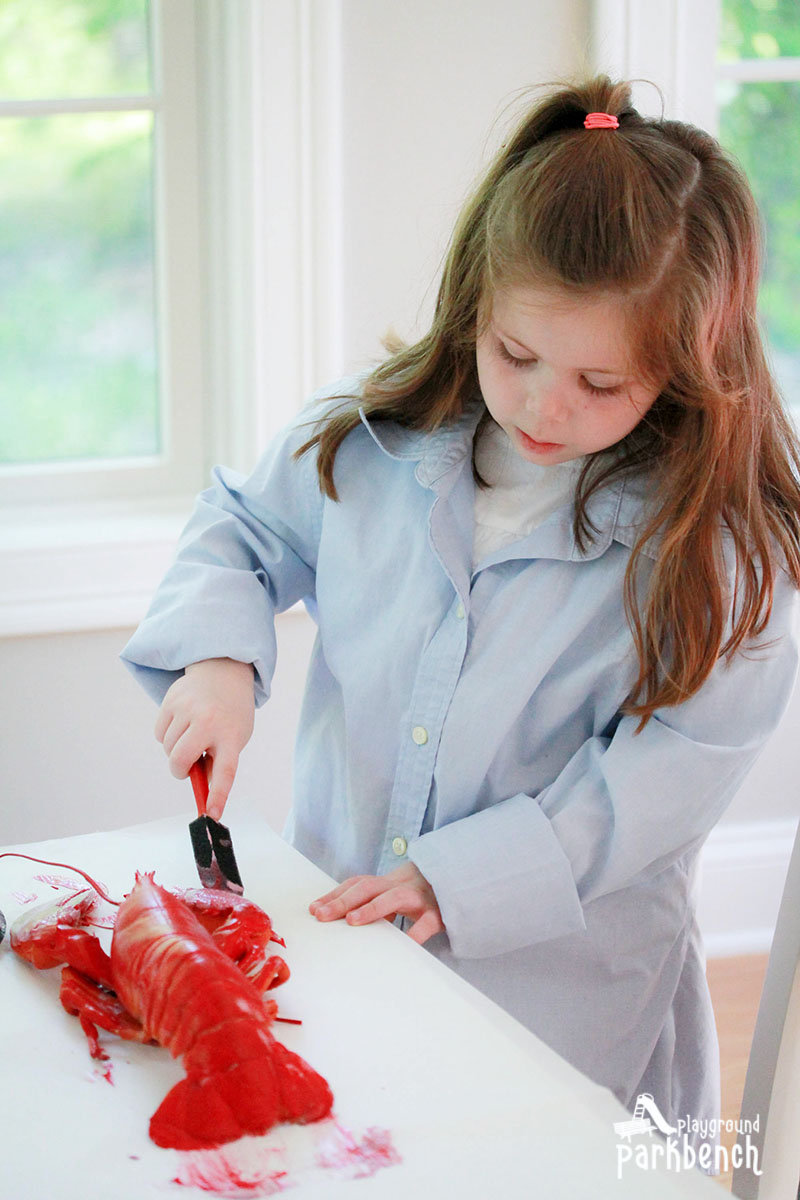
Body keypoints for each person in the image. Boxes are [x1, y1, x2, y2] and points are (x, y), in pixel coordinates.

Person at [121, 76, 800, 1154]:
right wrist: (214, 659)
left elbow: (657, 782)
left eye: (599, 382)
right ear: (474, 308)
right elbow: (243, 531)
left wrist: (458, 878)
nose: (541, 406)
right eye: (514, 357)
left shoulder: (718, 559)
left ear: (683, 373)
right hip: (342, 960)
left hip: (567, 1014)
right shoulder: (366, 442)